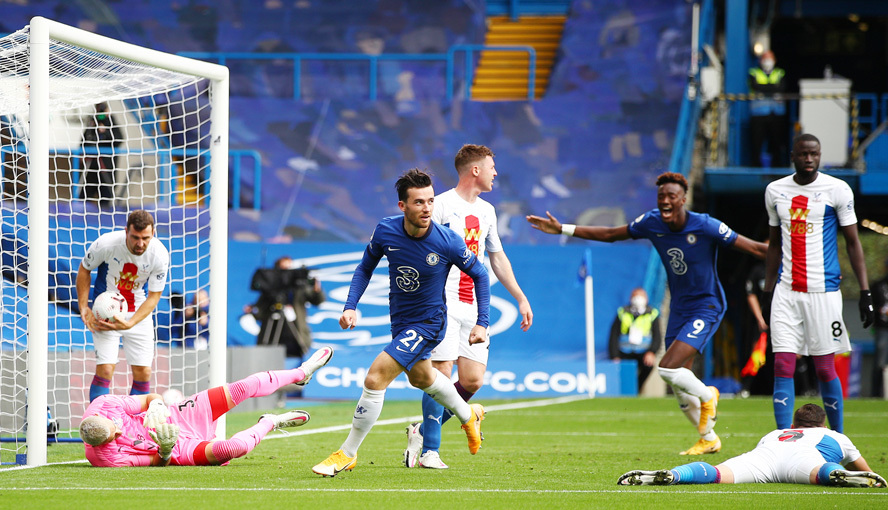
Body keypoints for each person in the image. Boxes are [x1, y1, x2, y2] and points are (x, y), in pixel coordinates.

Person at [527, 171, 767, 455]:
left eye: (671, 197)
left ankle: (707, 394)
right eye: (661, 196)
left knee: (667, 367)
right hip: (679, 308)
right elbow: (610, 234)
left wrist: (794, 252)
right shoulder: (651, 222)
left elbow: (753, 248)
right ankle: (709, 438)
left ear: (683, 199)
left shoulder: (704, 225)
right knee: (678, 384)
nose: (665, 201)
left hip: (707, 304)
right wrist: (564, 229)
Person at [312, 169, 487, 477]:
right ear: (402, 206)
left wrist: (482, 322)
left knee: (375, 377)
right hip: (401, 322)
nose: (427, 208)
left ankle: (347, 453)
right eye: (419, 202)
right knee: (421, 379)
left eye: (431, 201)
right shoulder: (385, 231)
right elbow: (365, 268)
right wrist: (350, 306)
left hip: (429, 323)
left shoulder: (447, 241)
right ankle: (467, 413)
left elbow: (481, 275)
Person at [403, 144, 533, 470]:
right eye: (491, 166)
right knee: (442, 373)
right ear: (475, 170)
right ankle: (431, 451)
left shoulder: (488, 211)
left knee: (472, 381)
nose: (495, 173)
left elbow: (497, 258)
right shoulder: (442, 205)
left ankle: (421, 429)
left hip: (474, 305)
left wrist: (519, 296)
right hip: (442, 302)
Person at [762, 133, 874, 433]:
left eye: (814, 154)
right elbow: (773, 245)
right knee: (782, 365)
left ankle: (837, 438)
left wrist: (865, 292)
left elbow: (853, 243)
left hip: (823, 293)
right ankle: (782, 440)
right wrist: (767, 290)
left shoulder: (837, 190)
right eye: (803, 154)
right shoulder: (775, 191)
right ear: (793, 156)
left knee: (824, 367)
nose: (809, 159)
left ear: (820, 156)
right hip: (786, 292)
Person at [79, 346, 333, 467]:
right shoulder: (106, 458)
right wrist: (166, 451)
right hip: (178, 447)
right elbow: (158, 462)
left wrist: (155, 405)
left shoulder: (105, 404)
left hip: (179, 415)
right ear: (100, 444)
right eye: (116, 437)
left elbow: (148, 398)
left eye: (116, 427)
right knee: (234, 448)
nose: (120, 432)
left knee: (241, 387)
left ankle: (300, 372)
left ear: (105, 418)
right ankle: (271, 422)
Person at [617, 403, 886, 488]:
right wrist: (861, 473)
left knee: (718, 473)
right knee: (820, 471)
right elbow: (867, 470)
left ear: (794, 423)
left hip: (765, 456)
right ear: (823, 424)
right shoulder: (836, 437)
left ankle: (676, 474)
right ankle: (837, 476)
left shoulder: (777, 432)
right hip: (803, 462)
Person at [76, 210, 170, 402]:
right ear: (126, 231)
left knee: (143, 372)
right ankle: (99, 425)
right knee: (106, 368)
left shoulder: (159, 255)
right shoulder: (106, 244)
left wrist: (131, 322)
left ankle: (133, 427)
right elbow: (84, 269)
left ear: (153, 233)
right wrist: (84, 306)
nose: (140, 243)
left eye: (145, 238)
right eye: (135, 237)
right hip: (105, 311)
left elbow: (154, 296)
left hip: (138, 312)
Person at [248, 256, 326, 358]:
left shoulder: (299, 288)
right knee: (267, 359)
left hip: (296, 333)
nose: (287, 274)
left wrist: (317, 290)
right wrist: (253, 310)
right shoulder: (270, 290)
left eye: (290, 269)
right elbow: (259, 312)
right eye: (283, 270)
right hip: (273, 334)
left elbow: (318, 301)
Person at [608, 288, 662, 392]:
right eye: (635, 296)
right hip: (625, 351)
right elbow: (613, 335)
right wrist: (614, 355)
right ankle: (627, 391)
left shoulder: (652, 314)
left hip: (643, 351)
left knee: (648, 366)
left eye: (641, 296)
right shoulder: (623, 312)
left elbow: (657, 336)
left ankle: (637, 388)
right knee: (625, 373)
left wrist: (652, 352)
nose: (638, 299)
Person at [748, 50, 787, 167]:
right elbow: (755, 86)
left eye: (770, 58)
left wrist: (764, 88)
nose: (768, 61)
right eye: (765, 58)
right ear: (760, 60)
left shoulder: (780, 73)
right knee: (756, 143)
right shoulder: (753, 72)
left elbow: (782, 87)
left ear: (774, 60)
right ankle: (756, 168)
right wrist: (773, 87)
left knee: (776, 142)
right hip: (758, 113)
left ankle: (777, 168)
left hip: (776, 113)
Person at [80, 102, 122, 207]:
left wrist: (106, 132)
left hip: (106, 167)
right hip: (92, 166)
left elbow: (119, 139)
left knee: (106, 197)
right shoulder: (92, 123)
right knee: (84, 195)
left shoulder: (111, 122)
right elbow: (83, 141)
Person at [871, 258, 888, 398]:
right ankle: (876, 394)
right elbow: (871, 306)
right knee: (879, 363)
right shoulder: (878, 286)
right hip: (883, 329)